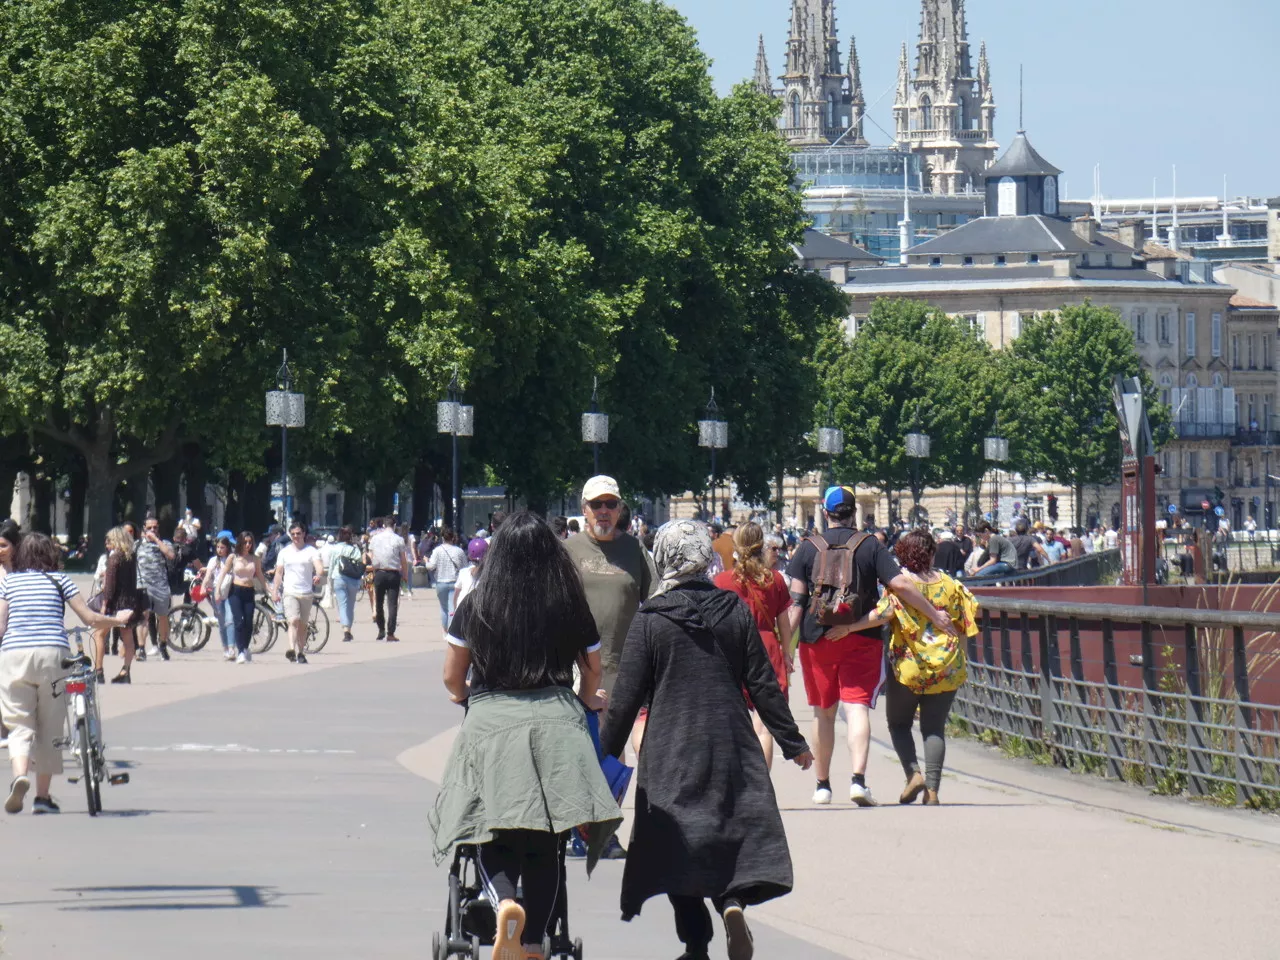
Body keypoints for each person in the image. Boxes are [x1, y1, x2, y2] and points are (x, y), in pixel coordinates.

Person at [602, 519, 813, 960]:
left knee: (676, 843)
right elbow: (762, 684)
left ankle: (696, 943)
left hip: (671, 749)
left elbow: (626, 699)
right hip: (730, 742)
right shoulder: (733, 610)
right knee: (726, 832)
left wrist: (601, 752)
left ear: (663, 558)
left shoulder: (652, 620)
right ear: (705, 557)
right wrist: (793, 744)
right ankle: (732, 904)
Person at [431, 513, 621, 960]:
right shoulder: (570, 605)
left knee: (489, 830)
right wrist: (586, 698)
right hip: (557, 721)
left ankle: (505, 903)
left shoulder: (476, 605)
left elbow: (452, 678)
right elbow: (592, 672)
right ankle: (533, 940)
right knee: (546, 842)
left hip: (492, 720)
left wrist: (468, 701)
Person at [785, 486, 959, 807]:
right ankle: (858, 781)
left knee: (823, 713)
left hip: (816, 639)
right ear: (855, 513)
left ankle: (822, 786)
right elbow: (901, 584)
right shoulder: (870, 546)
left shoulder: (807, 548)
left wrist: (784, 649)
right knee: (856, 708)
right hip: (861, 637)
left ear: (825, 513)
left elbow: (796, 602)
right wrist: (934, 614)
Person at [839, 530, 978, 806]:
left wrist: (849, 627)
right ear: (932, 554)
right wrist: (962, 659)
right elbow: (966, 621)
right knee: (934, 728)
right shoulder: (951, 585)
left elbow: (882, 614)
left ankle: (913, 774)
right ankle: (933, 791)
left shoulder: (900, 587)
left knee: (899, 723)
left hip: (909, 666)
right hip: (947, 665)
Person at [1, 533, 132, 814]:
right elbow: (89, 618)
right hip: (53, 654)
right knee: (49, 726)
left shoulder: (8, 582)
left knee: (19, 724)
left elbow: (0, 625)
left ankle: (20, 774)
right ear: (50, 554)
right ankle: (42, 797)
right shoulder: (60, 580)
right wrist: (117, 620)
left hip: (14, 655)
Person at [712, 522, 795, 770]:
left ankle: (738, 788)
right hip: (768, 649)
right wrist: (787, 654)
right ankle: (763, 788)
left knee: (733, 725)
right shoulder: (776, 580)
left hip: (734, 649)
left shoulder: (723, 580)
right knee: (763, 727)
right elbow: (784, 623)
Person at [271, 522, 324, 664]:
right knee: (293, 620)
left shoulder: (311, 551)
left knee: (303, 624)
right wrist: (275, 591)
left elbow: (319, 567)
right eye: (293, 534)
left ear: (304, 534)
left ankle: (301, 652)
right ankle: (291, 649)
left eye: (298, 533)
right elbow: (279, 573)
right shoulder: (284, 552)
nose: (296, 536)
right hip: (290, 592)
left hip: (306, 592)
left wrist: (318, 575)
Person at [219, 532, 269, 663]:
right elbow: (223, 574)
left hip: (249, 591)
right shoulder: (233, 557)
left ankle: (246, 648)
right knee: (239, 621)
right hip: (235, 591)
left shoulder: (255, 558)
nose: (248, 545)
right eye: (245, 542)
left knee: (248, 621)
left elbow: (260, 576)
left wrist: (270, 590)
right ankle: (240, 651)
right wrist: (217, 590)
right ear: (240, 542)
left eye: (250, 542)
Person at [136, 515, 176, 660]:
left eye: (155, 527)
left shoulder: (164, 543)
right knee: (143, 617)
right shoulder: (138, 544)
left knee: (163, 617)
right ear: (144, 529)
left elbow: (170, 555)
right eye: (149, 527)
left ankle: (163, 645)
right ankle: (141, 648)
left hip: (161, 585)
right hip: (143, 585)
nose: (152, 530)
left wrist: (156, 540)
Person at [367, 518, 409, 643]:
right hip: (393, 573)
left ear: (384, 525)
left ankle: (381, 629)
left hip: (379, 572)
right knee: (392, 604)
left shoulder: (375, 538)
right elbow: (403, 559)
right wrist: (405, 574)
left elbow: (371, 556)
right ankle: (391, 633)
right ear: (395, 525)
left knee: (378, 602)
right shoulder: (399, 539)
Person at [201, 533, 237, 660]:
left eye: (222, 547)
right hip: (216, 591)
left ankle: (232, 648)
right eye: (218, 547)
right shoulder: (213, 560)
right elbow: (208, 574)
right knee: (222, 621)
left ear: (227, 547)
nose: (220, 550)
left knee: (230, 619)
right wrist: (203, 586)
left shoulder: (232, 559)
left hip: (230, 590)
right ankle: (225, 648)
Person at [426, 528, 468, 631]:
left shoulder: (437, 551)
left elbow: (431, 566)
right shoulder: (459, 551)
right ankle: (452, 630)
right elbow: (465, 567)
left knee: (444, 609)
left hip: (441, 582)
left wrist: (426, 561)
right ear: (453, 538)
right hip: (455, 582)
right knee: (453, 608)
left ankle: (446, 630)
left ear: (442, 538)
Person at [328, 526, 364, 643]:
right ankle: (349, 628)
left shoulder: (334, 549)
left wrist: (329, 579)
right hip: (353, 579)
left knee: (342, 605)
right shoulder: (354, 549)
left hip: (338, 578)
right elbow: (359, 564)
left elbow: (332, 565)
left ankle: (346, 630)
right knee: (350, 606)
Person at [452, 537, 488, 610]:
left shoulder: (463, 572)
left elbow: (456, 595)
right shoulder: (489, 575)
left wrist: (455, 610)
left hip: (461, 610)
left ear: (470, 556)